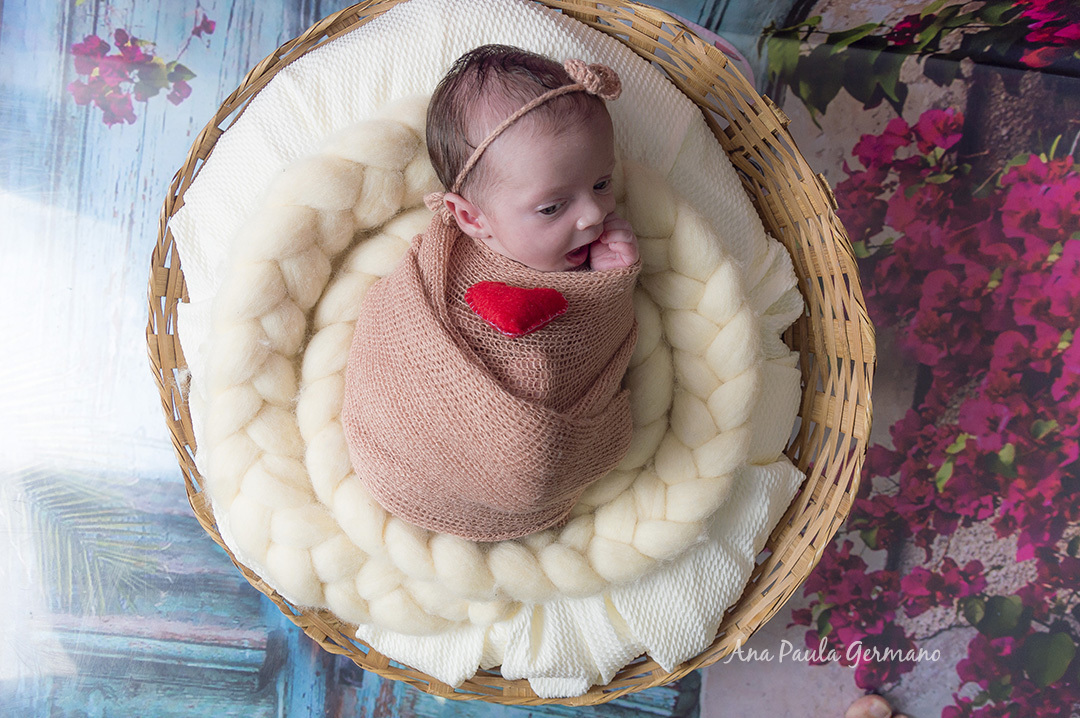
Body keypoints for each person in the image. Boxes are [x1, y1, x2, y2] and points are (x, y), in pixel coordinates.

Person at [341, 45, 641, 541]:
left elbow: (595, 339)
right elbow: (388, 326)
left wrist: (611, 283)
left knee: (535, 464)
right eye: (552, 208)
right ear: (471, 218)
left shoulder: (593, 246)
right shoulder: (446, 262)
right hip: (408, 436)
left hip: (537, 461)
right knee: (528, 460)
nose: (592, 215)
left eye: (602, 182)